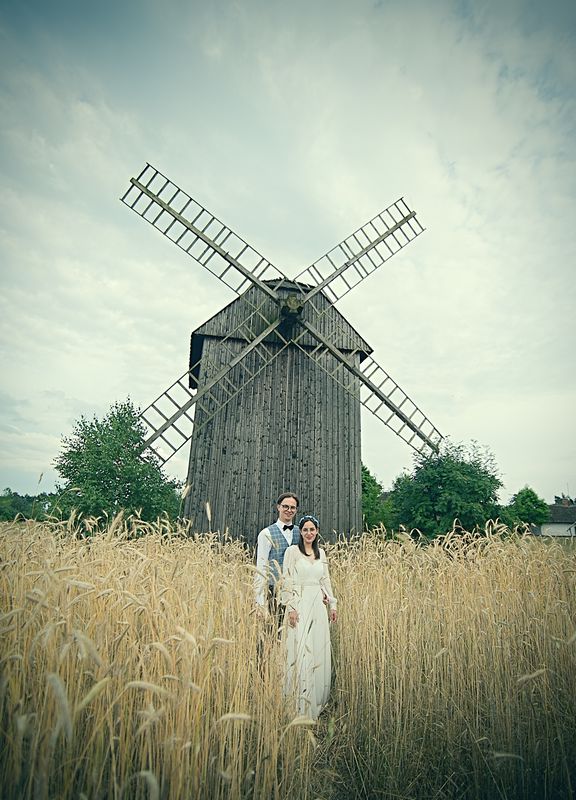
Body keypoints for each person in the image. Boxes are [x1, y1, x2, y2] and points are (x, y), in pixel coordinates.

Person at [281, 514, 337, 720]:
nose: (309, 533)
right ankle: (298, 703)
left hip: (317, 607)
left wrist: (332, 604)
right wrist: (291, 607)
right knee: (302, 649)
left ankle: (316, 699)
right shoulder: (292, 552)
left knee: (317, 648)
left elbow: (325, 580)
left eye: (312, 529)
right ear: (300, 531)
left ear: (317, 531)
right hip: (300, 603)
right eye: (305, 529)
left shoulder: (321, 553)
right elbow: (286, 579)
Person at [254, 492, 301, 631]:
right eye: (285, 506)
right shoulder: (266, 534)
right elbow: (261, 567)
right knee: (272, 632)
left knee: (294, 632)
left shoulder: (301, 532)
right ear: (278, 507)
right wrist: (259, 602)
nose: (289, 510)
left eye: (292, 507)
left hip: (295, 591)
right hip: (273, 591)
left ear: (296, 510)